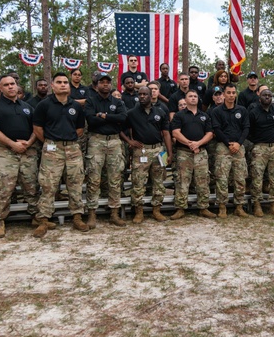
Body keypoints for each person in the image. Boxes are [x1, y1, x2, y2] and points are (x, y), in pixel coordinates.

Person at [32, 72, 89, 234]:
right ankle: (43, 219)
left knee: (76, 183)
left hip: (73, 148)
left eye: (65, 82)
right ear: (53, 86)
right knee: (48, 184)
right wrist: (51, 142)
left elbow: (79, 129)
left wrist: (67, 141)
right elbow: (37, 128)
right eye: (59, 82)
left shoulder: (76, 106)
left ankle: (77, 217)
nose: (63, 84)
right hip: (52, 149)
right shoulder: (44, 105)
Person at [0, 74, 38, 238]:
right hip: (4, 153)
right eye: (6, 85)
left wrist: (28, 143)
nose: (10, 87)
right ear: (0, 88)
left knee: (31, 185)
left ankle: (36, 216)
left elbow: (37, 128)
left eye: (13, 84)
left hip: (27, 151)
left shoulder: (27, 107)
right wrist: (12, 144)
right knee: (2, 188)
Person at [122, 84, 173, 223]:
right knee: (138, 182)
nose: (142, 97)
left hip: (158, 151)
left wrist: (169, 153)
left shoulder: (160, 112)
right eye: (140, 94)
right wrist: (130, 141)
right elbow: (120, 128)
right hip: (141, 151)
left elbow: (166, 134)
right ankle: (139, 212)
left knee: (158, 182)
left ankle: (157, 210)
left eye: (145, 94)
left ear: (151, 96)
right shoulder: (131, 113)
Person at [84, 72, 128, 228]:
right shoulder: (90, 101)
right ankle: (92, 214)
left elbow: (123, 118)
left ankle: (114, 213)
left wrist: (103, 116)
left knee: (115, 179)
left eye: (107, 82)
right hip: (96, 141)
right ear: (97, 84)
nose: (105, 84)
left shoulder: (117, 102)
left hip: (114, 141)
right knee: (94, 178)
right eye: (102, 82)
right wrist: (111, 118)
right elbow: (91, 120)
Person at [170, 89, 216, 219]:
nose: (193, 98)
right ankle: (180, 208)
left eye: (195, 96)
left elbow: (210, 134)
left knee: (203, 180)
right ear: (185, 99)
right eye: (190, 96)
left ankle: (203, 207)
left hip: (201, 153)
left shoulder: (204, 115)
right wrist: (190, 144)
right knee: (182, 180)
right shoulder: (179, 115)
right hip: (184, 153)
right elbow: (175, 133)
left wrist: (198, 144)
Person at [210, 83, 249, 218]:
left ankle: (239, 206)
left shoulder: (242, 110)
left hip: (239, 147)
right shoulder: (217, 111)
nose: (231, 95)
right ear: (224, 94)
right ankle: (222, 207)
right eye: (228, 93)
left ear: (236, 94)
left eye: (233, 93)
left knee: (240, 178)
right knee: (222, 178)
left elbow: (246, 128)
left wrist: (238, 144)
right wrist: (228, 144)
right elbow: (217, 129)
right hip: (223, 147)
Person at [248, 88, 274, 217]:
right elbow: (249, 131)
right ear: (260, 97)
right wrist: (257, 141)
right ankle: (257, 205)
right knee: (257, 178)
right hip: (259, 148)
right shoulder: (253, 113)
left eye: (269, 95)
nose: (267, 97)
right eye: (265, 95)